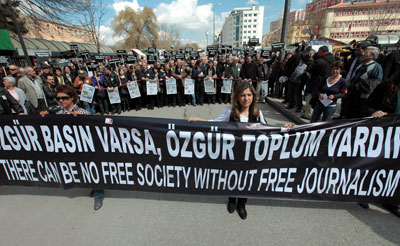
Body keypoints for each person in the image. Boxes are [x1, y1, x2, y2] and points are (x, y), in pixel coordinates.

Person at [188, 82, 292, 220]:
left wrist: (283, 128)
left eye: (249, 95)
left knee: (246, 179)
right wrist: (198, 120)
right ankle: (232, 200)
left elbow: (268, 130)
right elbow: (215, 123)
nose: (246, 98)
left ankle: (242, 204)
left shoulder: (257, 113)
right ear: (237, 97)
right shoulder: (230, 111)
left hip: (250, 154)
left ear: (253, 97)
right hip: (233, 153)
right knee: (232, 176)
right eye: (242, 95)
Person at [54, 85, 104, 210]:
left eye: (64, 98)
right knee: (82, 170)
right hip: (70, 149)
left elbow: (94, 131)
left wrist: (81, 120)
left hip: (86, 149)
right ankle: (92, 186)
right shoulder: (58, 114)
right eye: (58, 99)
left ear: (72, 98)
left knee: (92, 169)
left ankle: (98, 195)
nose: (61, 101)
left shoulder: (83, 113)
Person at [361, 71, 400, 215]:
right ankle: (362, 192)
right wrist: (374, 112)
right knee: (375, 164)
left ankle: (392, 201)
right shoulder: (386, 87)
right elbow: (367, 106)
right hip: (385, 134)